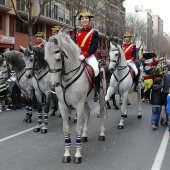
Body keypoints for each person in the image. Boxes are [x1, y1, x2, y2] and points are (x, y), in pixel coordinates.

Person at [75, 12, 100, 102]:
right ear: (81, 21)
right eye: (82, 19)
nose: (84, 20)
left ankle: (96, 92)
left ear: (89, 20)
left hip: (89, 56)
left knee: (96, 69)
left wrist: (84, 55)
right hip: (77, 55)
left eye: (86, 18)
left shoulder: (94, 33)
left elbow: (94, 46)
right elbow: (74, 45)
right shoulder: (77, 32)